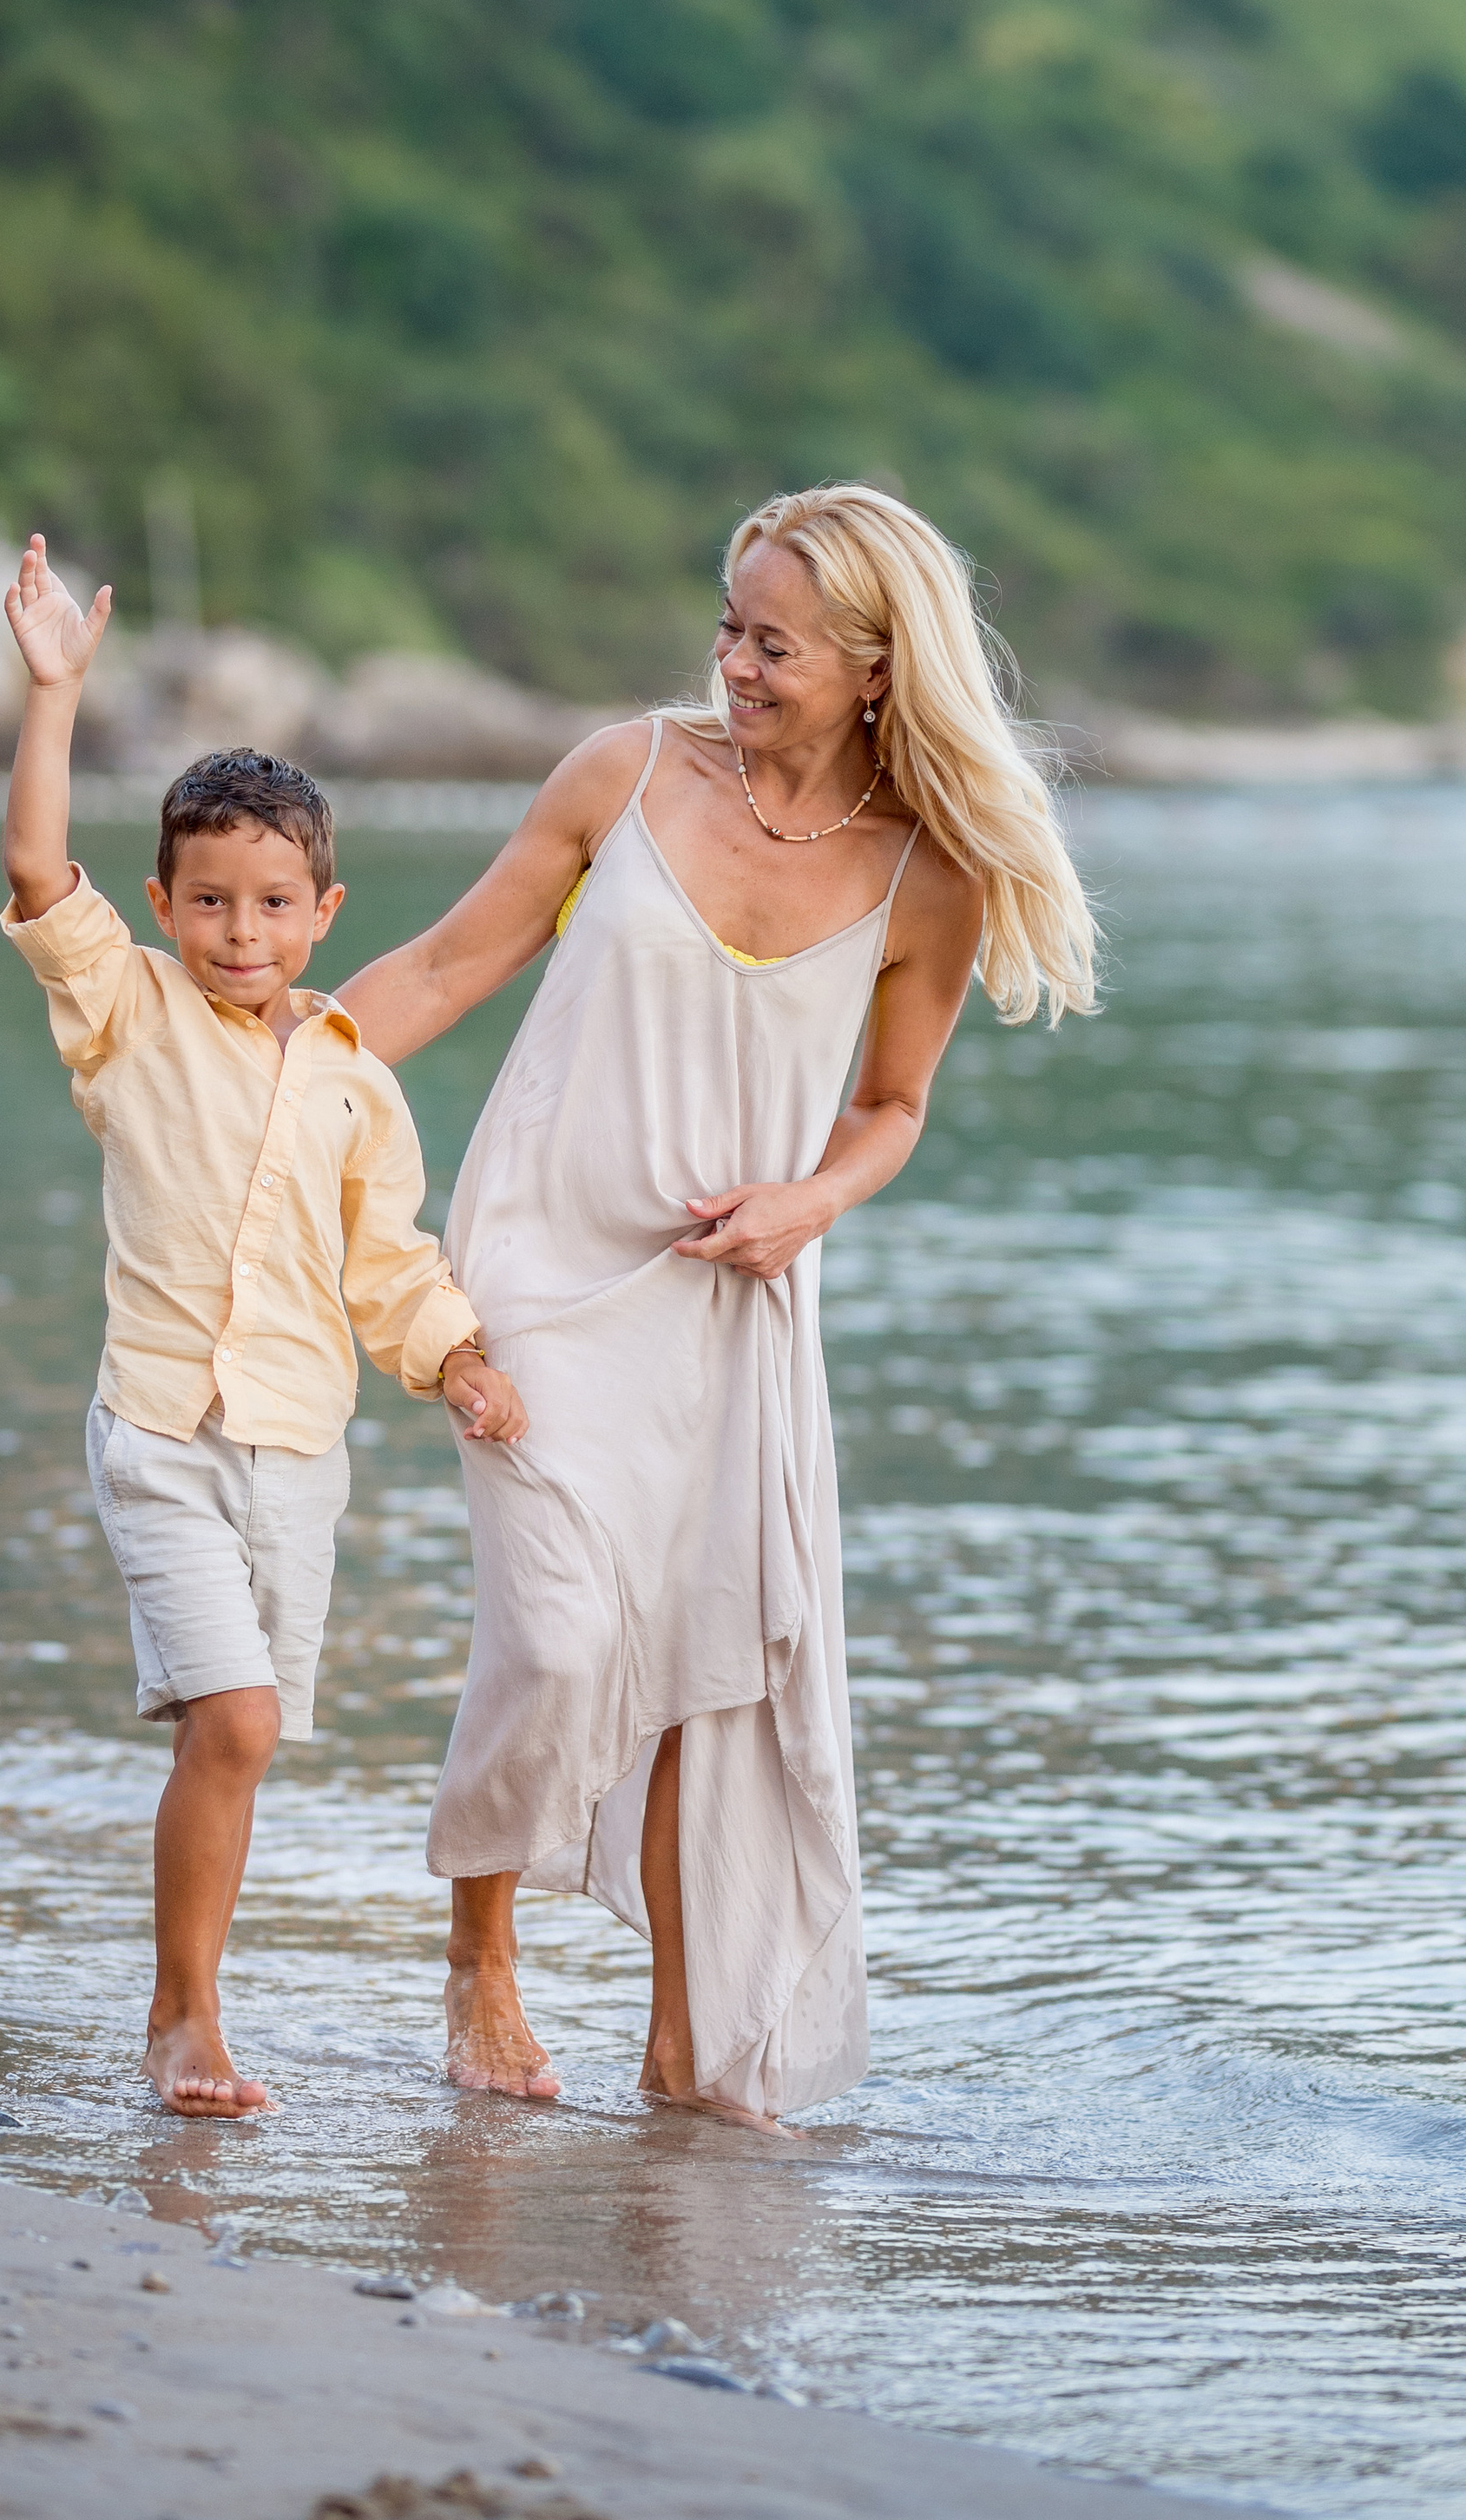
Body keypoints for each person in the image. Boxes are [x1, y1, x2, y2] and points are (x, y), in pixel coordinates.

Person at [335, 482, 1098, 2127]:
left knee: (697, 1664)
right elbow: (448, 965)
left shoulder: (928, 875)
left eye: (776, 645)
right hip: (539, 1264)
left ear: (879, 667)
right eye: (730, 628)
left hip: (731, 1304)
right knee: (558, 1633)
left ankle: (682, 2043)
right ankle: (481, 1948)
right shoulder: (624, 774)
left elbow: (890, 1106)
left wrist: (811, 1200)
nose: (734, 665)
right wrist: (256, 1078)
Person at [0, 533, 529, 2118]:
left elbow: (388, 1263)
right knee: (228, 1716)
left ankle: (189, 1998)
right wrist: (54, 694)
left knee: (242, 1741)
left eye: (275, 902)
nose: (241, 929)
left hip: (296, 1452)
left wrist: (458, 1358)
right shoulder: (129, 1014)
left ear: (324, 910)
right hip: (159, 1430)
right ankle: (185, 2022)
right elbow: (36, 871)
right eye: (211, 900)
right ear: (163, 904)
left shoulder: (357, 1078)